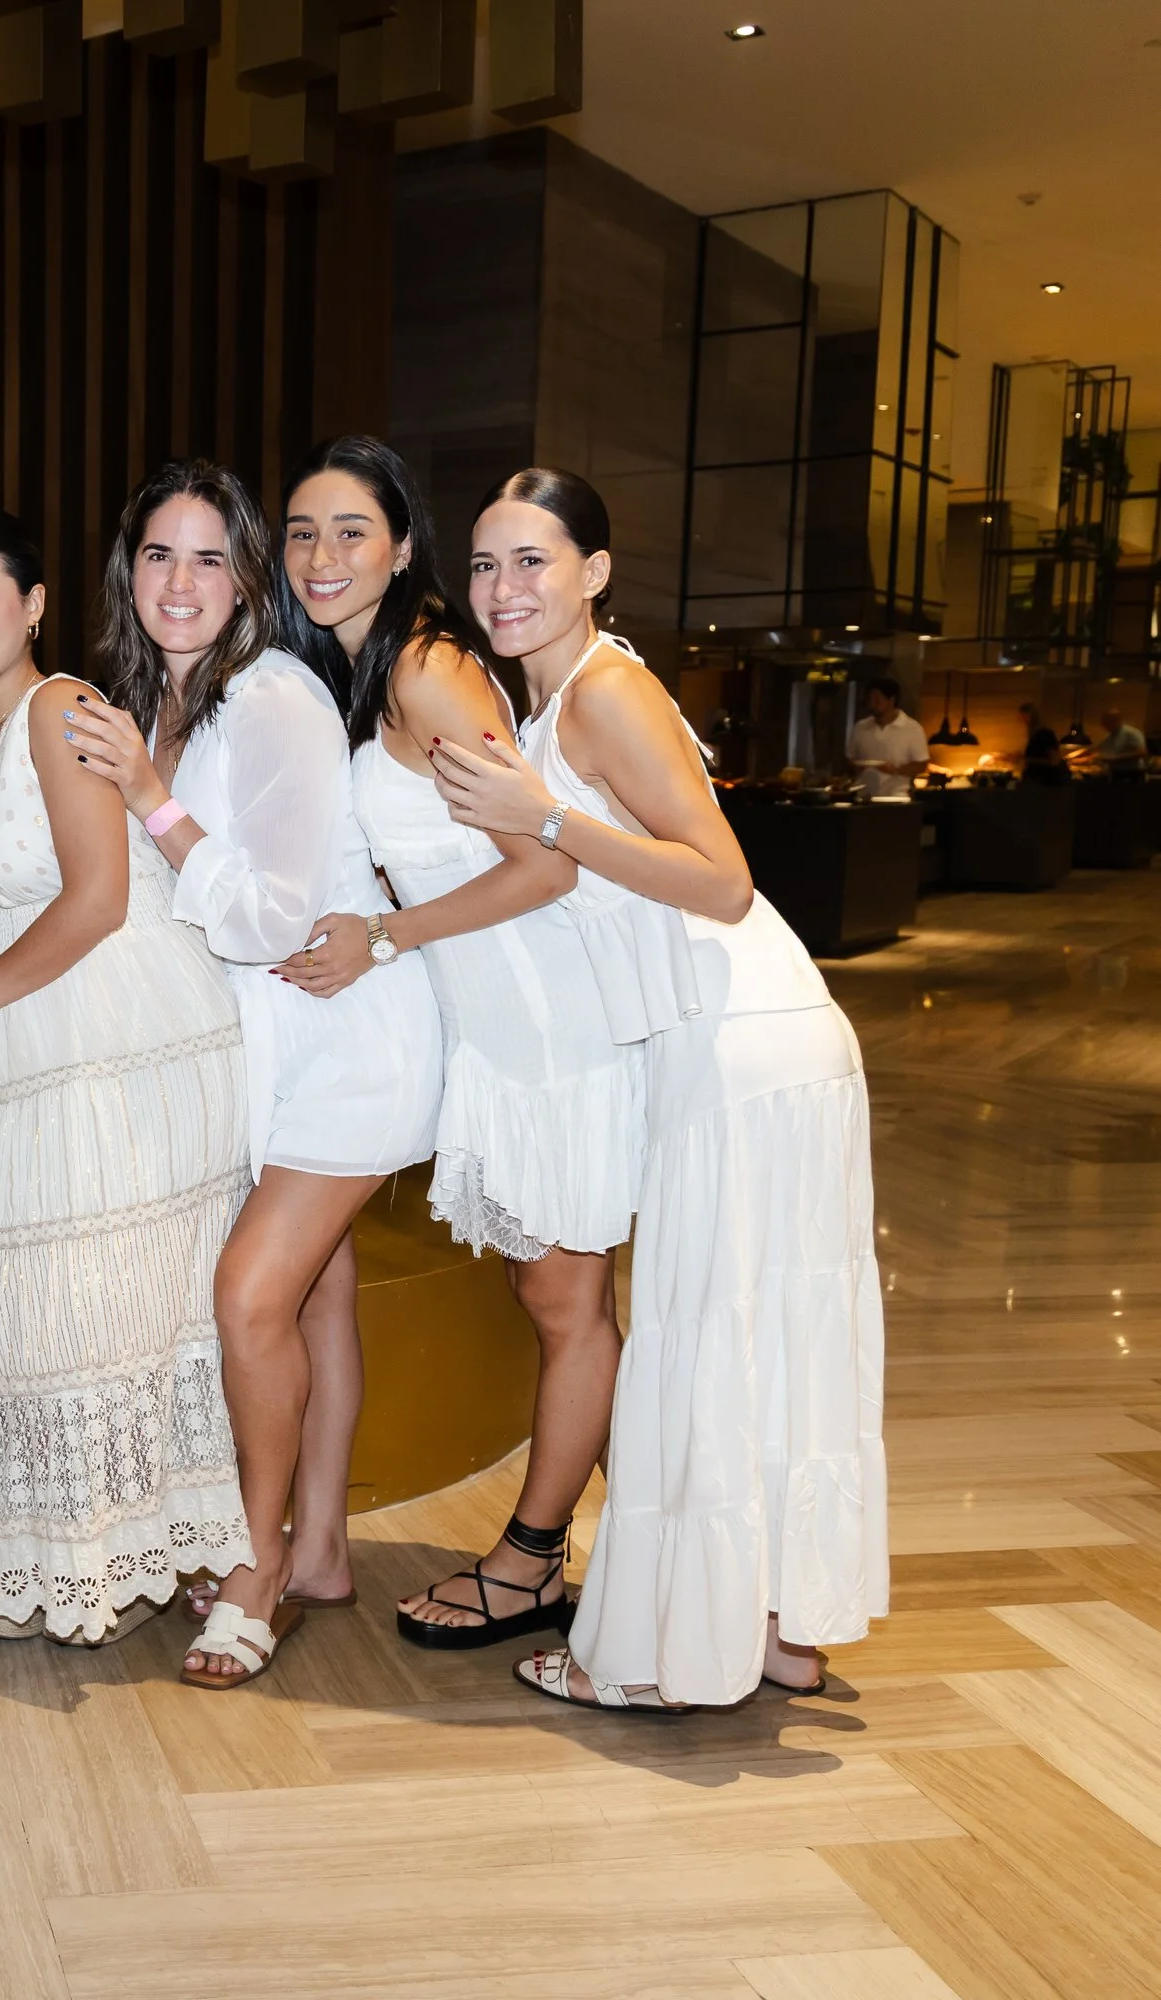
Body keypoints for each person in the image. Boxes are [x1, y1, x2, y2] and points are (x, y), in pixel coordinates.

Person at [432, 466, 887, 1710]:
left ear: (594, 572)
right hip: (758, 1042)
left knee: (703, 1342)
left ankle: (658, 1658)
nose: (502, 587)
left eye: (532, 560)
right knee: (765, 1341)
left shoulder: (603, 693)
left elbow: (723, 880)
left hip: (736, 1039)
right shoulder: (558, 700)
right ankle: (777, 1626)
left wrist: (549, 820)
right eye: (483, 563)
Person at [63, 459, 443, 1690]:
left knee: (247, 1295)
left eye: (209, 558)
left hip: (340, 1038)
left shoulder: (270, 695)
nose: (181, 583)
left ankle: (256, 1562)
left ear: (246, 579)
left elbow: (279, 913)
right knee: (314, 1298)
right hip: (255, 1051)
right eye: (158, 556)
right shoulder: (154, 702)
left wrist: (151, 799)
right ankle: (322, 1544)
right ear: (128, 571)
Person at [271, 437, 641, 1654]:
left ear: (401, 545)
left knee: (566, 1305)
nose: (322, 557)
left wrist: (384, 934)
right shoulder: (365, 671)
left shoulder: (427, 670)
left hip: (543, 1015)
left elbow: (542, 859)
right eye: (302, 532)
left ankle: (533, 1561)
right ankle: (659, 1550)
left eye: (350, 532)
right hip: (493, 1016)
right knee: (561, 1299)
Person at [0, 508, 253, 1646]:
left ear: (35, 604)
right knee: (75, 1318)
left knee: (105, 1312)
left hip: (128, 1039)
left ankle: (176, 1545)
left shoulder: (56, 709)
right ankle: (130, 1551)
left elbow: (98, 896)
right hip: (56, 1050)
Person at [847, 679, 929, 799]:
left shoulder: (912, 729)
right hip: (862, 797)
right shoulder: (861, 727)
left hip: (896, 797)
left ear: (891, 700)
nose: (872, 705)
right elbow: (850, 759)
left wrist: (895, 770)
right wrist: (857, 766)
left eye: (877, 700)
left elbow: (921, 765)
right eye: (870, 700)